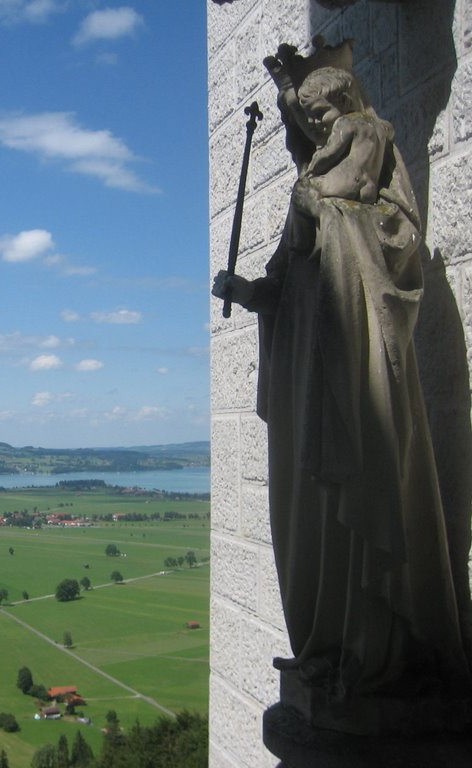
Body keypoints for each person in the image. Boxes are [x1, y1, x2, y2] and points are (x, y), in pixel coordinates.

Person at [213, 41, 471, 733]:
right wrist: (250, 290)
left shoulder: (370, 141)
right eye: (309, 118)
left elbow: (386, 237)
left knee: (359, 495)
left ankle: (373, 651)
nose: (320, 125)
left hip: (352, 368)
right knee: (314, 512)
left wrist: (323, 212)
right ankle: (327, 643)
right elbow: (287, 276)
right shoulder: (312, 177)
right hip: (310, 378)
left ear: (347, 105)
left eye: (325, 111)